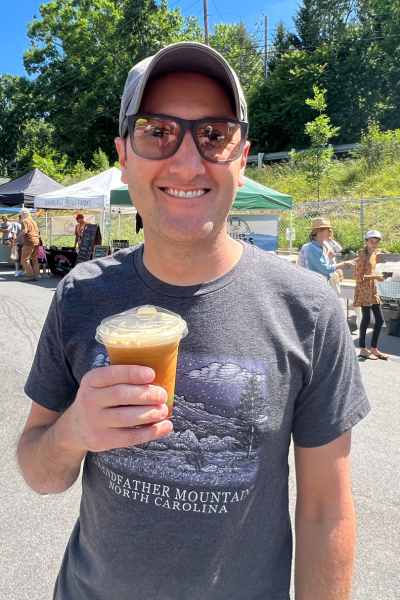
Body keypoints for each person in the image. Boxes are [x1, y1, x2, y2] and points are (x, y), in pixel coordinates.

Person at [17, 42, 370, 600]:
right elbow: (40, 472)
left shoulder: (309, 309)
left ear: (242, 157)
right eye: (157, 131)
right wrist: (74, 430)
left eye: (213, 135)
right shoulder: (80, 296)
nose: (186, 161)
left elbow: (326, 511)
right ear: (124, 156)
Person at [353, 230, 389, 360]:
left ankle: (374, 349)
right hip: (364, 290)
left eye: (377, 242)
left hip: (373, 290)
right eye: (372, 241)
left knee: (379, 320)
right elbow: (358, 276)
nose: (374, 244)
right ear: (366, 242)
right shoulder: (362, 255)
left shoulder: (374, 254)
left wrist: (379, 278)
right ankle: (363, 349)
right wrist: (376, 277)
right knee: (366, 319)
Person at [13, 207, 40, 282]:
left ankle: (30, 274)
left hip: (29, 241)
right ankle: (36, 275)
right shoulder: (33, 221)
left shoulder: (24, 221)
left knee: (24, 259)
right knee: (35, 259)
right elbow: (38, 231)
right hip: (36, 240)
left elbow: (25, 231)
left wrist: (17, 238)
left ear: (22, 214)